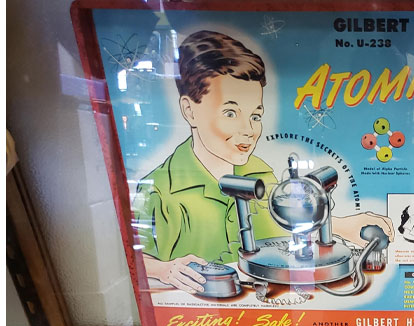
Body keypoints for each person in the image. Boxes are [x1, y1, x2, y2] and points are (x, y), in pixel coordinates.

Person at [134, 30, 393, 295]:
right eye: (231, 113)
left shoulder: (257, 171)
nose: (248, 130)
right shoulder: (160, 190)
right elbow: (134, 258)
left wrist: (341, 225)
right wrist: (164, 270)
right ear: (190, 110)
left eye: (255, 116)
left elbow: (282, 218)